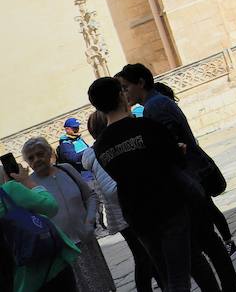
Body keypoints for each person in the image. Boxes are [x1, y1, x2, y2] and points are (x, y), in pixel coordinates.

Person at [88, 77, 226, 292]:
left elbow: (119, 173)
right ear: (120, 96)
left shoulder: (100, 146)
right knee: (184, 272)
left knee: (169, 270)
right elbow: (175, 161)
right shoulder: (146, 127)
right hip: (168, 205)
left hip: (137, 214)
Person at [116, 66, 236, 267]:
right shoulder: (156, 103)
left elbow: (171, 147)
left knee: (205, 240)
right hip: (192, 174)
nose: (125, 93)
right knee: (207, 236)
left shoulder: (154, 107)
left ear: (140, 83)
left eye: (126, 87)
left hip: (189, 176)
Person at [21, 138, 114, 292]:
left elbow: (90, 196)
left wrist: (89, 221)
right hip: (62, 251)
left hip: (86, 240)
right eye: (31, 158)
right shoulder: (29, 185)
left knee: (101, 284)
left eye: (40, 154)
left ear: (49, 153)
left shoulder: (66, 169)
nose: (37, 160)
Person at [83, 113, 157, 292]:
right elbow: (111, 189)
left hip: (124, 213)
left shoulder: (100, 151)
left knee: (148, 258)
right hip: (126, 213)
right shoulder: (102, 151)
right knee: (144, 258)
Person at [0, 155, 80, 292]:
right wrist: (27, 182)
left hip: (19, 284)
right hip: (48, 268)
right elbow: (51, 206)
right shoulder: (9, 190)